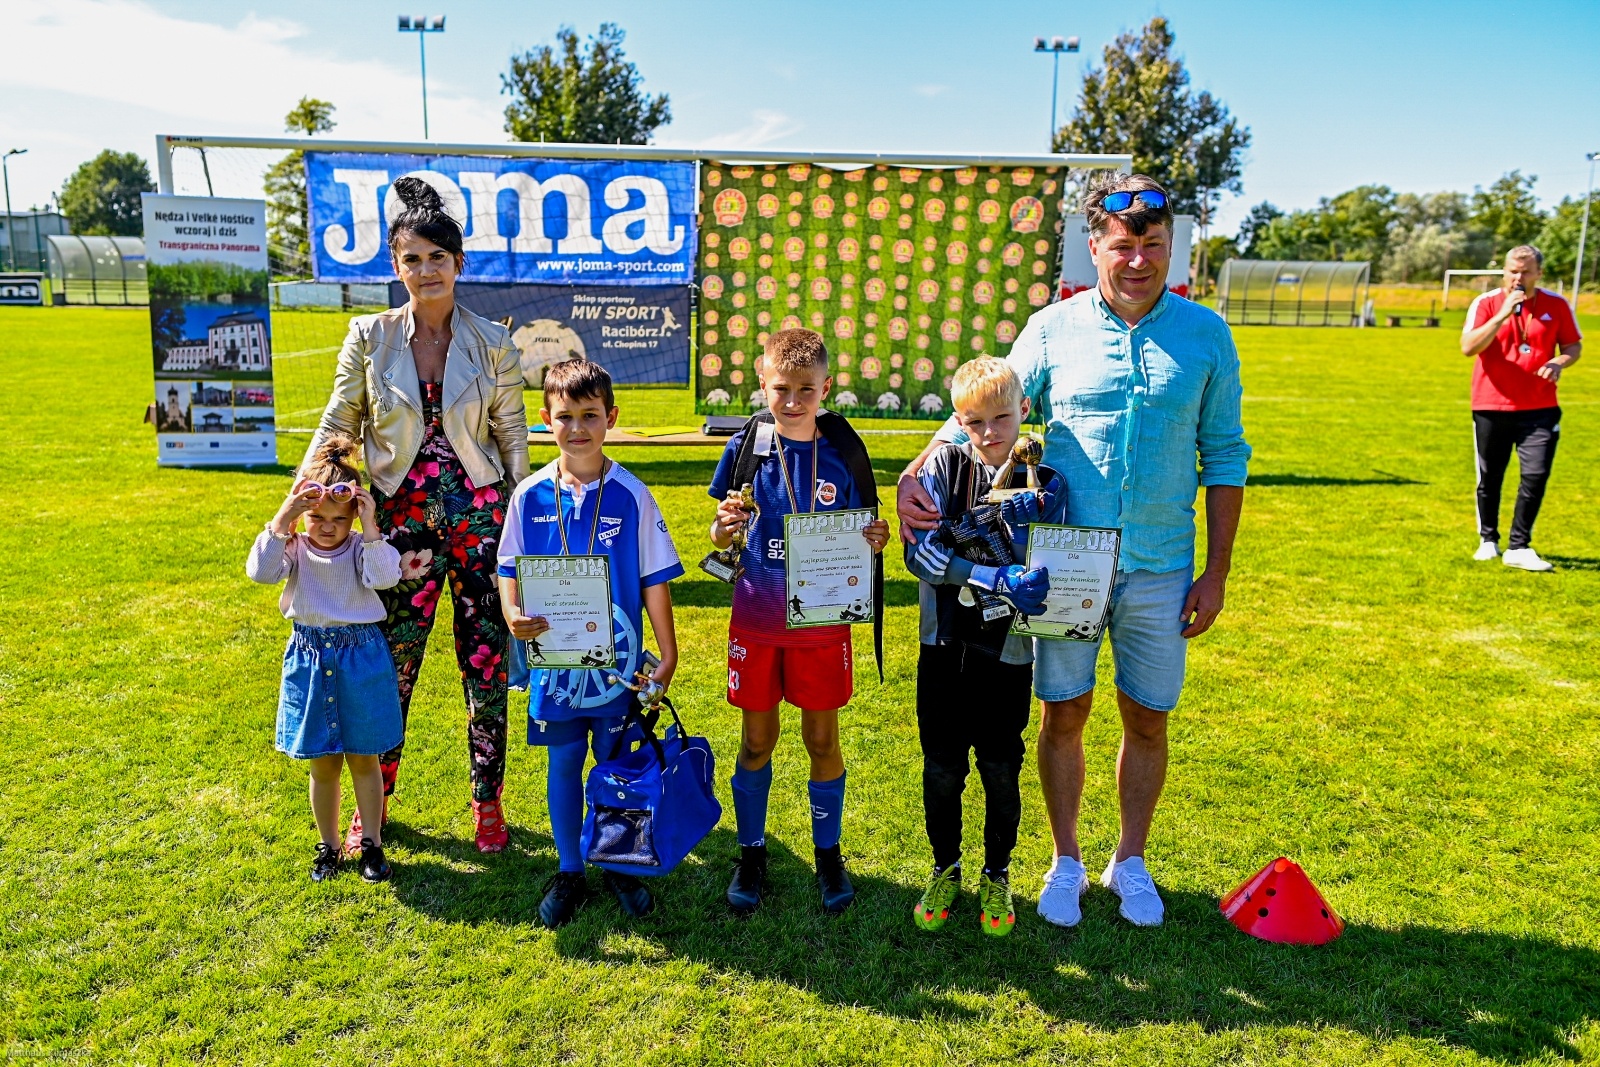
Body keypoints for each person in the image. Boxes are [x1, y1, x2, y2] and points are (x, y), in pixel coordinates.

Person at [897, 174, 1250, 928]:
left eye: (1153, 245)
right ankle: (1065, 860)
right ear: (1095, 249)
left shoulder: (1207, 334)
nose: (1138, 260)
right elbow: (982, 409)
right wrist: (916, 470)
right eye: (1123, 245)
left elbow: (1224, 456)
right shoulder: (1054, 327)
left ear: (1169, 248)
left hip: (1162, 563)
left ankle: (1131, 859)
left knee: (1147, 716)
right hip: (1065, 563)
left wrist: (1216, 572)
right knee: (1064, 712)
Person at [304, 177, 530, 855]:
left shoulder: (493, 340)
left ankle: (487, 800)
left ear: (458, 263)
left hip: (481, 521)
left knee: (486, 662)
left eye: (438, 257)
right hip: (396, 525)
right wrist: (305, 496)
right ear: (395, 267)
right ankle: (379, 797)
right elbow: (339, 419)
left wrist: (523, 522)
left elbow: (513, 435)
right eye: (412, 258)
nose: (425, 270)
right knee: (389, 663)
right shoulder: (368, 337)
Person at [707, 328, 891, 915]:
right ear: (762, 384)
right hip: (758, 621)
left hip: (821, 625)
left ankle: (828, 853)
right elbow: (719, 530)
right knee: (756, 742)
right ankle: (752, 851)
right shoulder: (745, 448)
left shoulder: (844, 449)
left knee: (821, 739)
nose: (792, 401)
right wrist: (722, 530)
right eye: (781, 388)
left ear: (826, 388)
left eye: (805, 390)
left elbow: (869, 531)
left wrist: (875, 540)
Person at [497, 358, 683, 928]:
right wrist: (510, 611)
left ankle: (618, 863)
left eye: (590, 416)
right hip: (557, 668)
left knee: (613, 765)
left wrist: (668, 653)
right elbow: (509, 565)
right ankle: (571, 866)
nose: (577, 427)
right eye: (565, 416)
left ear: (611, 418)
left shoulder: (633, 495)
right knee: (564, 762)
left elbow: (653, 579)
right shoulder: (528, 495)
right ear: (544, 420)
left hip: (618, 669)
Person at [902, 357, 1065, 937]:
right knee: (943, 767)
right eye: (975, 422)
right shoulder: (943, 464)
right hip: (943, 644)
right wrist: (992, 577)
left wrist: (1032, 556)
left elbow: (1057, 560)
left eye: (1002, 417)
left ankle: (997, 874)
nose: (991, 434)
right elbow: (917, 556)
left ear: (1024, 410)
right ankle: (945, 867)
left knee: (1000, 766)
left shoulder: (1047, 477)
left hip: (1010, 652)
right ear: (958, 421)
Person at [247, 435, 404, 884]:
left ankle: (371, 842)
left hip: (361, 659)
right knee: (323, 762)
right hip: (311, 658)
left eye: (340, 518)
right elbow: (259, 571)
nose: (328, 526)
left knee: (363, 757)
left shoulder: (360, 548)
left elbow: (385, 576)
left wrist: (371, 527)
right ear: (303, 513)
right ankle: (329, 845)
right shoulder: (293, 549)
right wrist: (284, 517)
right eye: (316, 516)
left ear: (353, 514)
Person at [1460, 245, 1582, 571]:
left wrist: (1558, 361)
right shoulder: (1485, 303)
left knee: (1536, 474)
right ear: (1504, 271)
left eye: (1526, 271)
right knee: (1491, 477)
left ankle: (1519, 545)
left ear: (1539, 273)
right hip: (1491, 404)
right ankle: (1488, 540)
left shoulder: (1556, 305)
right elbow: (1468, 347)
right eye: (1513, 270)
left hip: (1540, 406)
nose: (1518, 277)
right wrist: (1502, 315)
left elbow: (1573, 345)